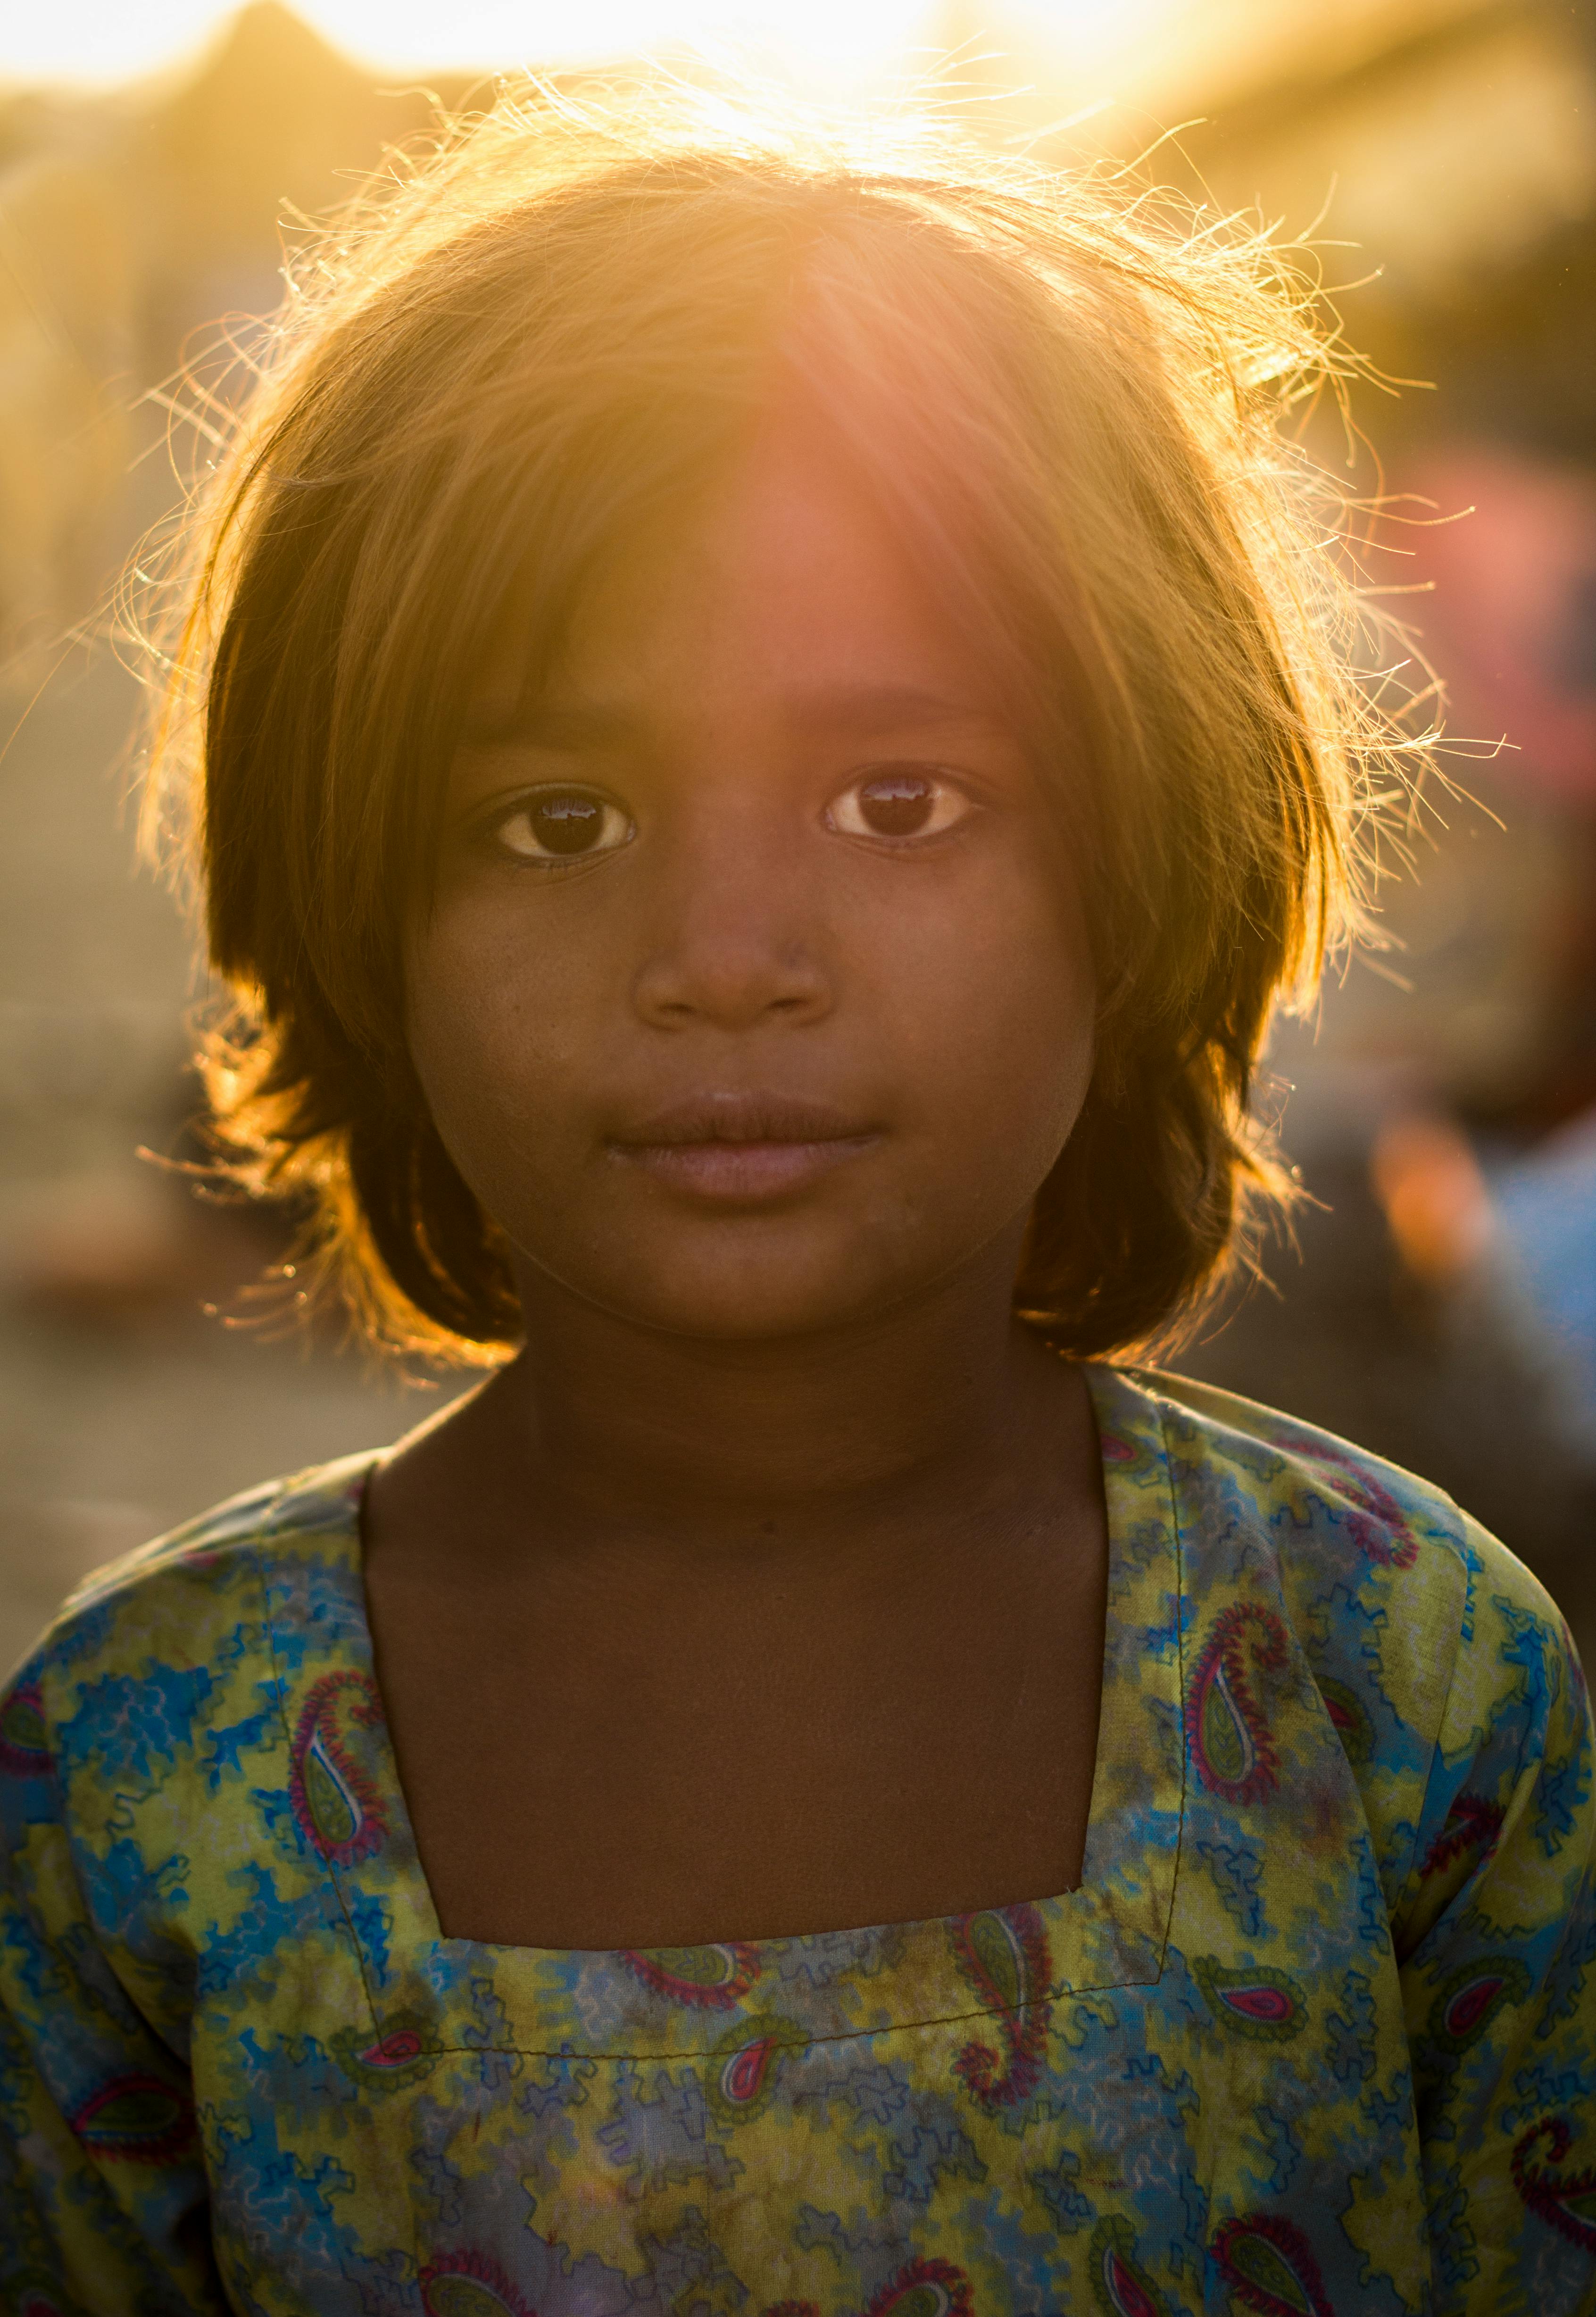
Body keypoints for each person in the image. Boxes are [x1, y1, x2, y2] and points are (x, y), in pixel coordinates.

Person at [1, 86, 1591, 2317]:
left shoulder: (1402, 1677)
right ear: (356, 901)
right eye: (556, 818)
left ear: (1142, 863)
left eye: (900, 796)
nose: (727, 951)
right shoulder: (136, 1771)